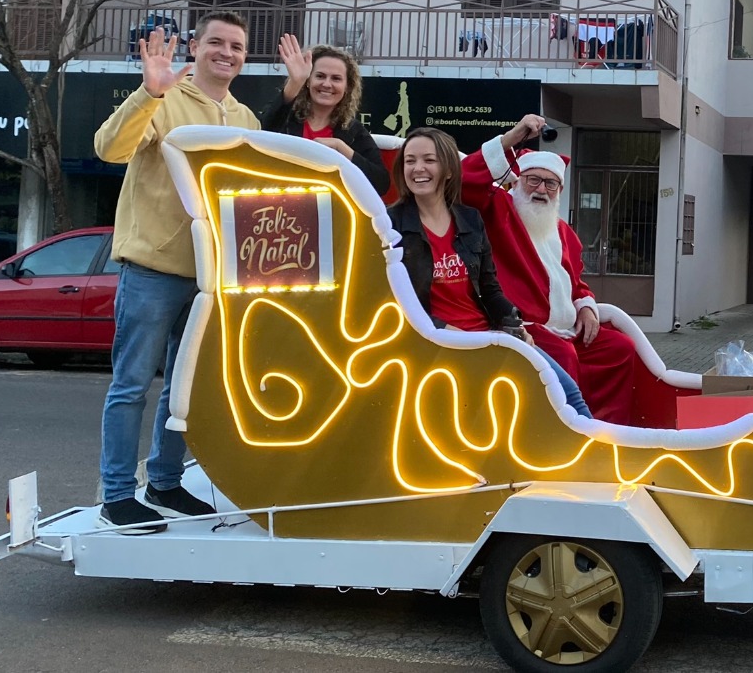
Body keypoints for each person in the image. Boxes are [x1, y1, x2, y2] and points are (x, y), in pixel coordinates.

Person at [93, 13, 261, 535]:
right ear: (197, 45)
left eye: (236, 45)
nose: (226, 52)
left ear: (244, 56)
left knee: (183, 391)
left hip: (212, 280)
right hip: (151, 270)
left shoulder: (247, 120)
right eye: (216, 42)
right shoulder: (165, 96)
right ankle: (117, 494)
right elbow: (109, 149)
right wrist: (148, 94)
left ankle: (164, 483)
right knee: (132, 385)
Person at [460, 114, 693, 427]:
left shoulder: (562, 231)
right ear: (518, 182)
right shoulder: (499, 210)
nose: (541, 189)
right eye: (533, 180)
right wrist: (511, 138)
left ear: (559, 190)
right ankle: (565, 434)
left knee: (620, 348)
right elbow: (463, 182)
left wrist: (587, 308)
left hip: (569, 326)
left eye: (551, 183)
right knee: (564, 356)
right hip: (527, 328)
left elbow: (576, 283)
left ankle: (609, 427)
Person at [391, 127, 590, 418]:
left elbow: (490, 288)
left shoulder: (469, 220)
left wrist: (513, 323)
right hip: (437, 339)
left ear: (447, 169)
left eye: (428, 160)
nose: (418, 168)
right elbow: (391, 297)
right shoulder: (389, 224)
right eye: (410, 161)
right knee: (529, 400)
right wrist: (447, 330)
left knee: (570, 394)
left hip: (488, 334)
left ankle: (597, 453)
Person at [262, 34, 390, 194]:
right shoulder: (286, 118)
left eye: (336, 79)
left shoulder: (353, 132)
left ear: (347, 87)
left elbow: (381, 183)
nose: (327, 84)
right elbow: (264, 129)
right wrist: (295, 82)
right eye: (320, 76)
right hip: (282, 209)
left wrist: (341, 148)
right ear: (308, 81)